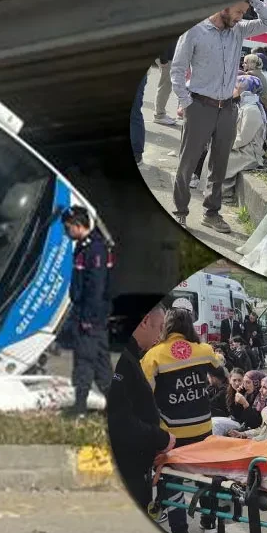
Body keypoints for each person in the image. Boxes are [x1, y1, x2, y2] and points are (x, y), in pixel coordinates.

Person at [169, 0, 267, 233]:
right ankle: (180, 212)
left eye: (243, 13)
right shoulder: (195, 31)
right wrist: (187, 103)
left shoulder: (237, 30)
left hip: (227, 107)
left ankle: (211, 212)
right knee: (188, 162)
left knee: (220, 163)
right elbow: (177, 70)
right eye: (238, 11)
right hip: (199, 105)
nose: (240, 17)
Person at [142, 307, 227, 533]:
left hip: (172, 434)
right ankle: (209, 522)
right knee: (205, 476)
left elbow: (143, 396)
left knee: (173, 481)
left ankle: (180, 532)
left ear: (167, 326)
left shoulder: (154, 356)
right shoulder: (203, 350)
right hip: (202, 428)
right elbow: (222, 375)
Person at [107, 301, 173, 512]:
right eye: (160, 327)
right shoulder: (121, 360)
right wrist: (162, 439)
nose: (161, 335)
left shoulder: (128, 355)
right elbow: (119, 422)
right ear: (145, 321)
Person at [62, 206, 114, 418]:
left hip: (90, 314)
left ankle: (80, 408)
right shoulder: (86, 247)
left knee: (84, 359)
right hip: (92, 314)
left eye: (68, 228)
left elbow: (96, 287)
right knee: (101, 361)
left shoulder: (94, 249)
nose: (67, 233)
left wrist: (87, 318)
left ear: (77, 225)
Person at [207, 75, 267, 201]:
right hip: (242, 146)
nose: (232, 90)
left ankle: (224, 192)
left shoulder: (252, 110)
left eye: (235, 87)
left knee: (221, 158)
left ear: (244, 91)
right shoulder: (244, 105)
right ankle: (212, 190)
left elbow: (243, 138)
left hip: (249, 152)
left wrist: (226, 145)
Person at [153, 40, 179, 127]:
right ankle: (159, 115)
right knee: (165, 86)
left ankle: (160, 113)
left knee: (166, 86)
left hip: (168, 57)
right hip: (166, 58)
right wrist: (163, 59)